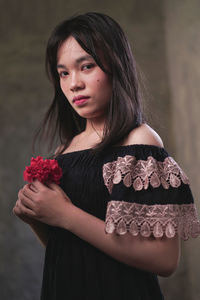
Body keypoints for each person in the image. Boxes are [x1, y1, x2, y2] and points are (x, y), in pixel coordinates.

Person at [13, 12, 200, 300]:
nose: (74, 83)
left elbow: (164, 260)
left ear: (116, 65)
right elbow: (69, 247)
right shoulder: (66, 149)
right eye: (64, 73)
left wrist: (65, 214)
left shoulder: (139, 140)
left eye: (86, 67)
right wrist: (38, 217)